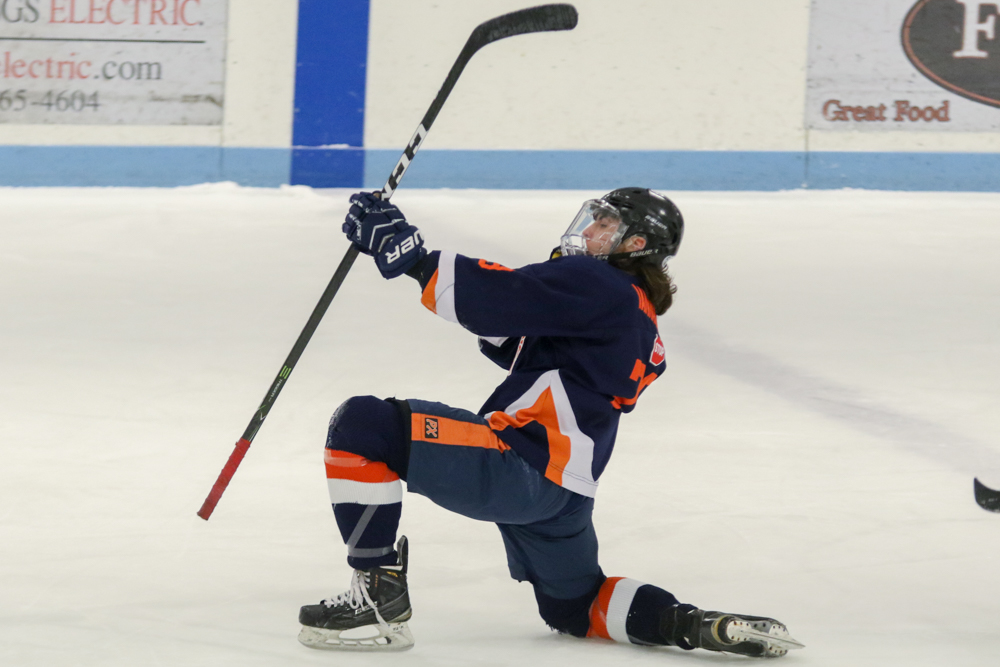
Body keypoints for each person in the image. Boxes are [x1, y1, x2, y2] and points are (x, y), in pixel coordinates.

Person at [296, 188, 803, 657]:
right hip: (564, 499)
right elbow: (520, 339)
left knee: (363, 425)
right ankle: (688, 624)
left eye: (605, 223)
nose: (589, 229)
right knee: (575, 606)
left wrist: (410, 255)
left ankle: (375, 599)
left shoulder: (600, 283)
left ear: (635, 243)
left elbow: (499, 297)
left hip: (518, 466)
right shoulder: (637, 315)